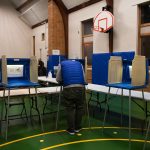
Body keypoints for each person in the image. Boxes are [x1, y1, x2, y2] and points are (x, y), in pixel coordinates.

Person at [56, 60, 86, 135]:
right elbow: (84, 78)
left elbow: (58, 79)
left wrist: (63, 81)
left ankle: (71, 130)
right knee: (79, 107)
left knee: (70, 108)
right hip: (81, 87)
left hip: (69, 88)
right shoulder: (80, 64)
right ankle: (77, 128)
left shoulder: (62, 64)